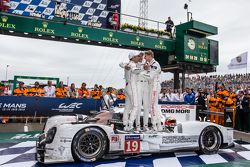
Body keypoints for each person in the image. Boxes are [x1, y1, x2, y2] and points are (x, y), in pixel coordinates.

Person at [120, 51, 141, 131]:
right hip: (132, 87)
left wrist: (124, 66)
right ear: (133, 57)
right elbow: (135, 70)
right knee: (136, 106)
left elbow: (121, 63)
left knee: (127, 107)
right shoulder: (132, 64)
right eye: (137, 56)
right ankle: (130, 125)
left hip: (127, 86)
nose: (138, 57)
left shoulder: (128, 64)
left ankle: (125, 125)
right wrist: (142, 68)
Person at [143, 50, 163, 131]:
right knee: (153, 106)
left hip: (155, 86)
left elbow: (150, 76)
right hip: (151, 86)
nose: (144, 57)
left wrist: (141, 73)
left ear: (150, 55)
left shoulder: (155, 64)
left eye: (146, 56)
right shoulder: (149, 64)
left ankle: (155, 125)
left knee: (153, 106)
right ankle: (158, 125)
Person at [135, 51, 150, 131]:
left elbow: (151, 72)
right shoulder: (135, 63)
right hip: (138, 84)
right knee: (138, 106)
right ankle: (137, 125)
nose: (141, 57)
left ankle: (145, 125)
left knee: (146, 107)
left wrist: (147, 67)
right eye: (140, 55)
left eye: (143, 55)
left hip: (146, 85)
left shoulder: (147, 63)